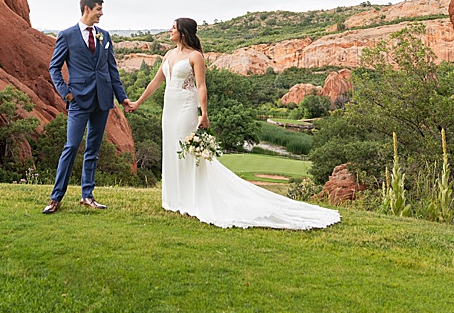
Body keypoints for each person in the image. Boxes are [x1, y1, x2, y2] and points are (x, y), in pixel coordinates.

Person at [124, 17, 340, 230]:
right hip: (168, 110)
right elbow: (156, 81)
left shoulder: (195, 56)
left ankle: (190, 199)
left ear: (183, 32)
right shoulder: (169, 54)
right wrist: (138, 102)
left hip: (185, 109)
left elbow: (201, 87)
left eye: (173, 27)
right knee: (172, 151)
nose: (169, 30)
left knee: (187, 152)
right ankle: (174, 199)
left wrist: (204, 113)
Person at [42, 0, 130, 214]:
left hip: (102, 99)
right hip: (78, 99)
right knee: (71, 147)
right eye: (99, 9)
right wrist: (66, 94)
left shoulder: (105, 36)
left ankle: (87, 196)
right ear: (87, 9)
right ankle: (55, 198)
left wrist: (122, 97)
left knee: (93, 149)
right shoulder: (67, 35)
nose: (102, 13)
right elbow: (54, 68)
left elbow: (112, 69)